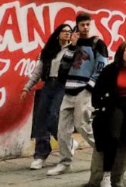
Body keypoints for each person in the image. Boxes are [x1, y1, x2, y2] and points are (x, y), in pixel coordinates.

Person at [49, 12, 105, 176]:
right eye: (82, 25)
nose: (85, 28)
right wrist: (72, 46)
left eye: (88, 24)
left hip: (84, 90)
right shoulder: (72, 44)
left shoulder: (97, 43)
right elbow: (64, 67)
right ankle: (65, 162)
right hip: (68, 90)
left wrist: (90, 86)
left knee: (83, 126)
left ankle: (102, 151)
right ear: (77, 26)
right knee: (62, 129)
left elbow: (101, 65)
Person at [21, 23, 73, 170]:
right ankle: (40, 155)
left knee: (53, 117)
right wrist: (27, 87)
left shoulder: (72, 51)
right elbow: (38, 71)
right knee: (40, 118)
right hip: (48, 85)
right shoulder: (49, 51)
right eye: (64, 31)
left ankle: (67, 143)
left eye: (69, 32)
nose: (67, 34)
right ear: (58, 34)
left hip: (63, 86)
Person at [89, 40, 126, 187]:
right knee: (113, 138)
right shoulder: (110, 69)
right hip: (113, 107)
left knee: (125, 140)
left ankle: (121, 176)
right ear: (121, 53)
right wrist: (99, 106)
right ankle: (106, 176)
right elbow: (98, 91)